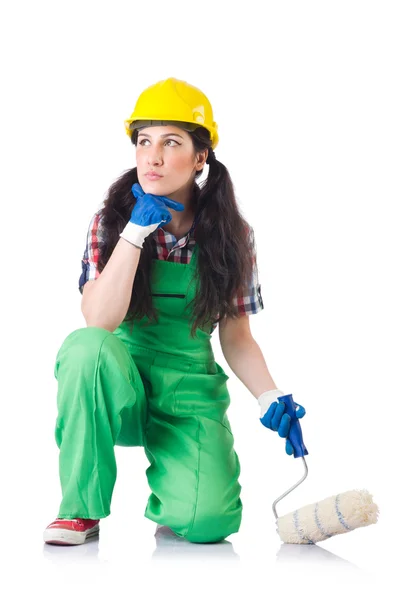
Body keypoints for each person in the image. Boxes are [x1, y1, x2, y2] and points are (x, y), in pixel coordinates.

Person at [43, 77, 305, 546]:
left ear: (200, 157)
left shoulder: (233, 235)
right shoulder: (110, 222)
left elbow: (237, 336)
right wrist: (134, 234)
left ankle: (180, 494)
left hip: (188, 388)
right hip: (118, 384)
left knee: (209, 525)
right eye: (144, 141)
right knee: (86, 349)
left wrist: (270, 396)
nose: (153, 157)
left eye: (170, 142)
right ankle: (80, 510)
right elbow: (98, 323)